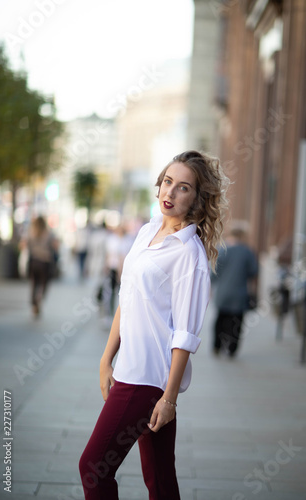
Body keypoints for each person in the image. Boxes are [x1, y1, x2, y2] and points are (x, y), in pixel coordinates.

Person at [79, 150, 229, 499]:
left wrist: (170, 398)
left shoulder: (189, 254)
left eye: (183, 188)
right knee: (160, 479)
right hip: (131, 369)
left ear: (197, 197)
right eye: (167, 182)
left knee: (93, 468)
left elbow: (185, 335)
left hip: (147, 380)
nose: (171, 192)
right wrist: (106, 359)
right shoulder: (147, 233)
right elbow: (126, 299)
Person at [212, 223, 258, 357]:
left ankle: (217, 345)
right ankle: (232, 349)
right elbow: (253, 271)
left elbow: (213, 272)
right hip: (239, 293)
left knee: (220, 319)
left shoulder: (221, 249)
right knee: (236, 322)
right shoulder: (247, 252)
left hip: (222, 292)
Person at [25, 216, 59, 317]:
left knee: (34, 283)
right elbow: (56, 245)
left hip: (34, 261)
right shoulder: (49, 233)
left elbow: (25, 244)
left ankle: (34, 302)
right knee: (44, 284)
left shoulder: (31, 232)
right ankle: (39, 298)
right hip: (45, 261)